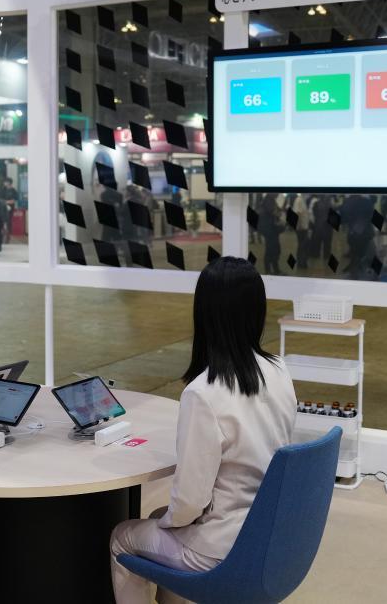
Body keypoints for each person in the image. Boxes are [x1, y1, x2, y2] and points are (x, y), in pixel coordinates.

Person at [109, 257, 296, 604]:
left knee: (123, 537)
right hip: (268, 535)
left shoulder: (203, 394)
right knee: (160, 519)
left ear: (205, 314)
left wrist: (174, 521)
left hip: (222, 548)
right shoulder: (278, 370)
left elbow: (190, 502)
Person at [257, 193, 283, 275]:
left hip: (272, 229)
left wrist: (279, 211)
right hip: (268, 229)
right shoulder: (268, 200)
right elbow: (273, 211)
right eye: (277, 193)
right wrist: (279, 212)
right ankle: (268, 270)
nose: (278, 194)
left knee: (275, 249)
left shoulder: (271, 200)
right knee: (270, 250)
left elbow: (277, 211)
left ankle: (275, 269)